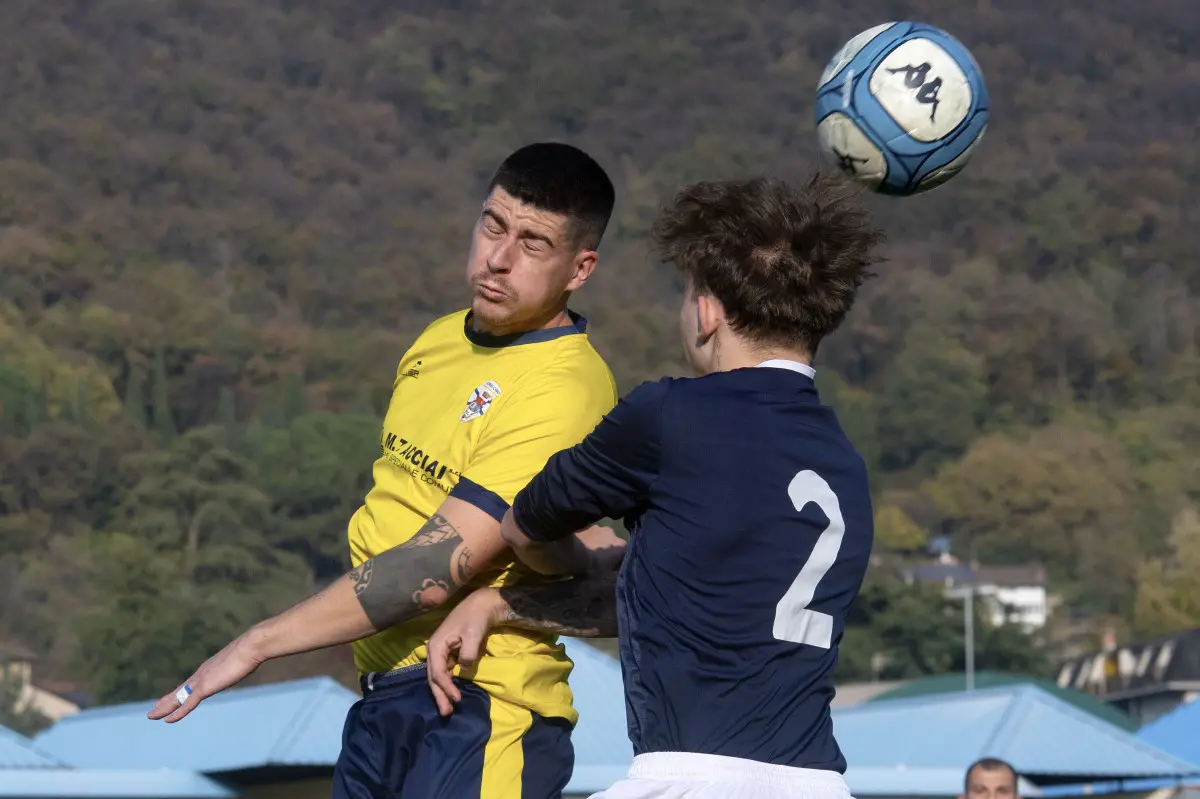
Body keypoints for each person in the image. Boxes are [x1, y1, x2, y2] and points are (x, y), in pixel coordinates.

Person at [148, 142, 628, 799]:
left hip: (483, 704)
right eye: (493, 226)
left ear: (580, 268)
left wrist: (259, 641)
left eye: (533, 244)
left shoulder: (564, 385)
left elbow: (428, 573)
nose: (498, 258)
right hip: (382, 699)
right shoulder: (437, 339)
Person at [425, 172, 885, 799]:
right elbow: (688, 604)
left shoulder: (668, 415)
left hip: (689, 777)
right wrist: (505, 607)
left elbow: (522, 527)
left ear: (706, 312)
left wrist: (536, 573)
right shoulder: (845, 465)